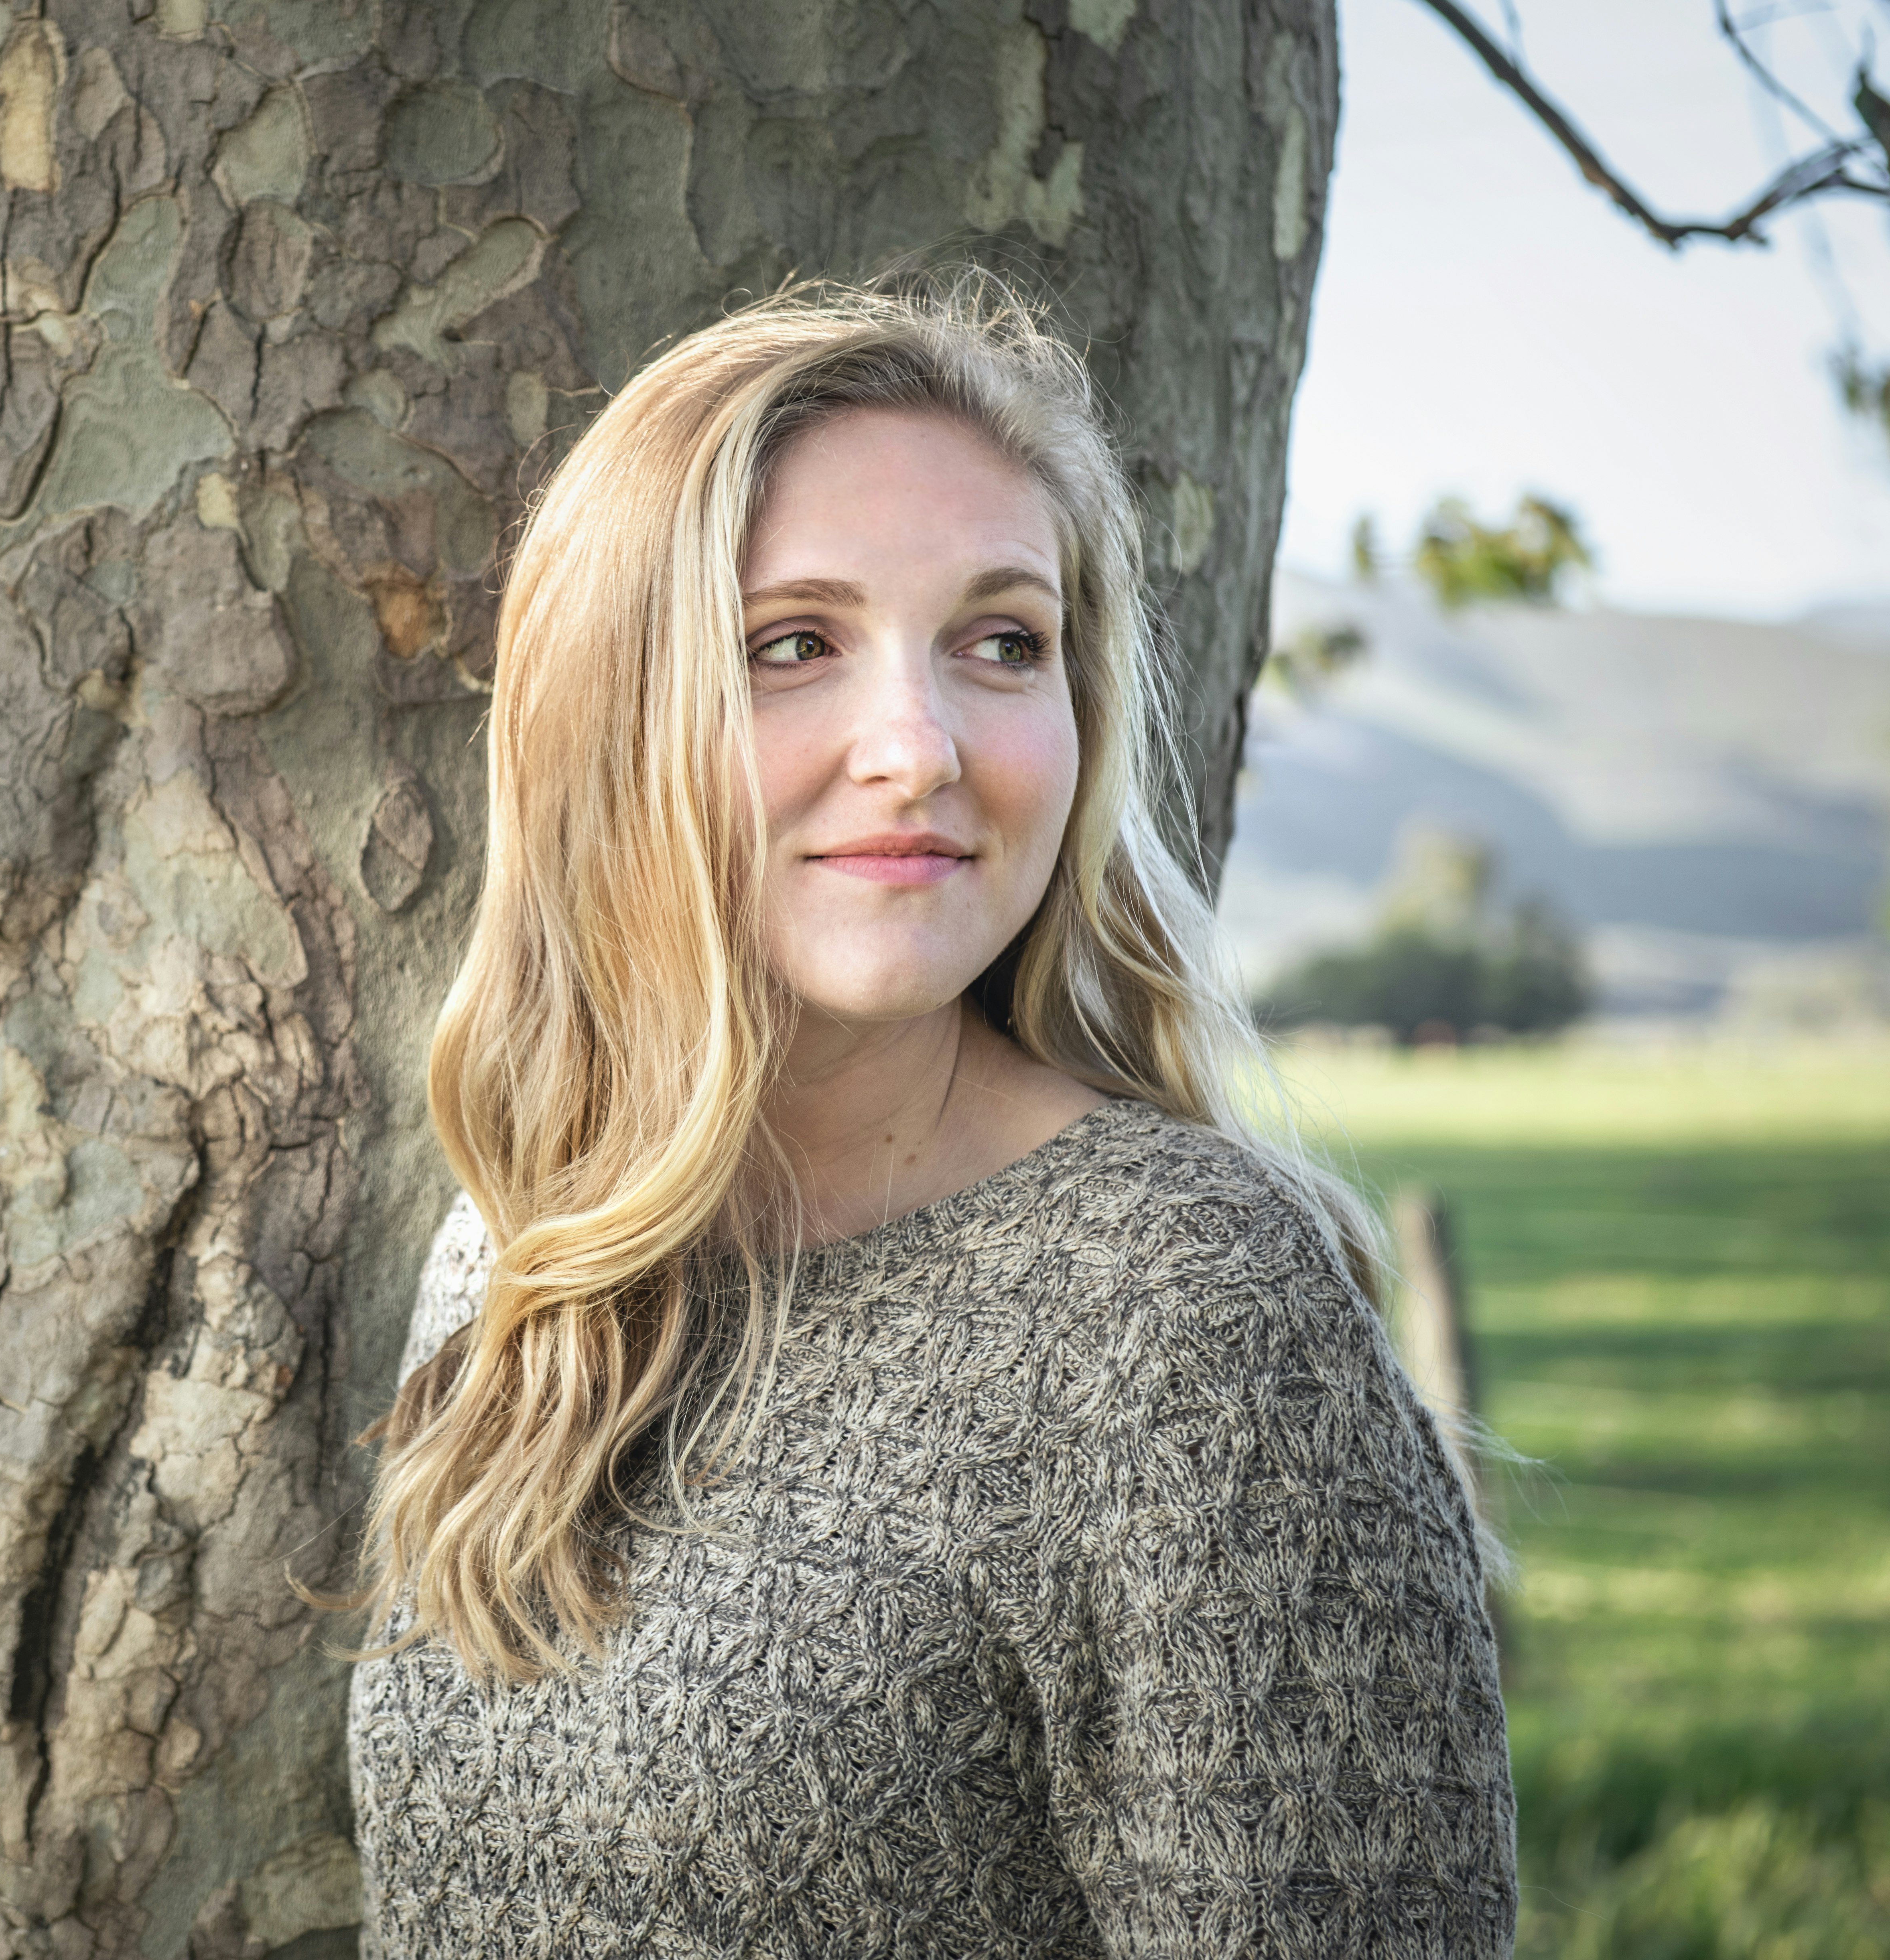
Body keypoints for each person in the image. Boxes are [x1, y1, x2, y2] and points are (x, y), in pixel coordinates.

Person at [341, 280, 1518, 1958]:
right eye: (793, 644)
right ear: (608, 720)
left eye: (1002, 642)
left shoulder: (1180, 1316)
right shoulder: (522, 1245)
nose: (919, 747)